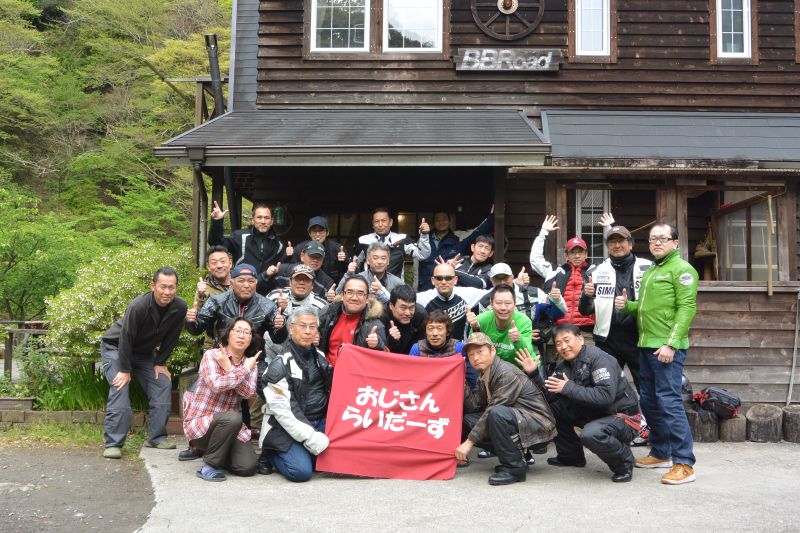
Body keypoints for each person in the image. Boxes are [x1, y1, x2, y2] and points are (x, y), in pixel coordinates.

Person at [617, 221, 699, 485]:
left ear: (675, 243)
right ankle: (662, 452)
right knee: (650, 402)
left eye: (663, 238)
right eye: (653, 239)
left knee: (669, 402)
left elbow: (687, 308)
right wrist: (628, 306)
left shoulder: (683, 270)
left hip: (666, 349)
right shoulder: (653, 269)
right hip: (646, 345)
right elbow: (646, 308)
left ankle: (684, 463)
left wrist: (671, 344)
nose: (657, 243)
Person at [529, 324, 641, 483]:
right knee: (551, 410)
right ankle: (571, 456)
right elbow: (549, 397)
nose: (563, 347)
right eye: (558, 343)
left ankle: (624, 462)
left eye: (567, 340)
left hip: (623, 417)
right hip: (593, 413)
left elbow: (605, 396)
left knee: (591, 434)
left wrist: (568, 388)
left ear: (580, 339)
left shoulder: (599, 359)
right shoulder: (563, 366)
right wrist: (534, 374)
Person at [100, 268, 187, 459]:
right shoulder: (138, 306)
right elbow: (126, 337)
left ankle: (157, 437)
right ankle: (114, 443)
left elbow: (173, 337)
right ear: (153, 286)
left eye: (171, 287)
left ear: (176, 288)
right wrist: (125, 370)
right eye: (163, 287)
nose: (167, 292)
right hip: (116, 348)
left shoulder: (179, 307)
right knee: (120, 386)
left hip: (144, 353)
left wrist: (160, 362)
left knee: (162, 382)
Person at [455, 333, 556, 486]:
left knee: (496, 413)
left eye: (480, 352)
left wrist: (468, 443)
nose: (476, 358)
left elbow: (493, 409)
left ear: (493, 351)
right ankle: (518, 456)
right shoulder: (484, 374)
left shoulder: (505, 373)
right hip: (520, 421)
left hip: (539, 425)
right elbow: (475, 406)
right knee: (469, 420)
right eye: (471, 354)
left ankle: (515, 469)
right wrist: (462, 383)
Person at [258, 307, 333, 482]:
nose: (308, 331)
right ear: (291, 329)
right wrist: (311, 437)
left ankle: (308, 453)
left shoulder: (320, 357)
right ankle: (271, 453)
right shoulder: (279, 365)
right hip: (285, 427)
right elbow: (285, 413)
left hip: (320, 421)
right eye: (302, 326)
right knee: (301, 472)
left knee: (340, 459)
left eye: (312, 327)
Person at [182, 318, 260, 482]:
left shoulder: (250, 363)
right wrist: (243, 371)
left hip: (230, 429)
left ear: (251, 339)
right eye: (237, 331)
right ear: (228, 334)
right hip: (202, 425)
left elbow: (248, 392)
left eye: (246, 332)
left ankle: (219, 453)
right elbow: (216, 385)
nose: (241, 335)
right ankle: (209, 466)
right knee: (233, 417)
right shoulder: (212, 355)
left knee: (247, 466)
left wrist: (230, 369)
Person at [580, 218, 651, 390]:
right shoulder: (596, 271)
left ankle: (647, 410)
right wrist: (587, 296)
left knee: (646, 387)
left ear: (630, 244)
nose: (617, 245)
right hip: (608, 340)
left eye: (621, 241)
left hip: (640, 337)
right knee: (608, 387)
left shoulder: (649, 268)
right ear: (607, 246)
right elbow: (584, 310)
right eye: (612, 241)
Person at [186, 264, 287, 346]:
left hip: (254, 358)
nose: (246, 285)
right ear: (232, 283)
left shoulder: (268, 306)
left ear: (256, 283)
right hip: (222, 355)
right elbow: (196, 330)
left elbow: (278, 339)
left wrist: (280, 326)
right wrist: (191, 320)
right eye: (241, 281)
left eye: (251, 281)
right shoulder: (216, 301)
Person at [529, 215, 595, 337]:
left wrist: (610, 227)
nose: (577, 256)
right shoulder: (555, 271)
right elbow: (535, 260)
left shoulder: (595, 271)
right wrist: (543, 232)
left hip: (588, 330)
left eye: (580, 252)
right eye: (573, 252)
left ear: (586, 254)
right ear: (566, 255)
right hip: (560, 329)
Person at [318, 275, 387, 367]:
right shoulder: (328, 313)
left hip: (356, 373)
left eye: (360, 293)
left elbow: (383, 360)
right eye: (350, 292)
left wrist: (377, 345)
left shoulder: (374, 325)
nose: (354, 298)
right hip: (326, 370)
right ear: (342, 296)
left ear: (367, 298)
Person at [418, 209, 494, 291]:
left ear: (449, 221)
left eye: (444, 219)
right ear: (433, 222)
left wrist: (492, 216)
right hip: (425, 286)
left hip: (448, 288)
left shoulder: (458, 239)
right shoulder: (424, 240)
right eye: (437, 220)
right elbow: (416, 265)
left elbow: (477, 232)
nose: (441, 222)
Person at [264, 264, 329, 360]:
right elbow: (262, 324)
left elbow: (325, 336)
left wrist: (318, 338)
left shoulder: (321, 305)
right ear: (290, 282)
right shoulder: (275, 296)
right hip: (273, 349)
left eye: (306, 280)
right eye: (298, 279)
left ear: (312, 285)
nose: (301, 283)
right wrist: (276, 308)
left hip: (305, 352)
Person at [208, 201, 288, 274]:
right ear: (253, 220)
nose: (263, 221)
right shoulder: (240, 236)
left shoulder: (278, 244)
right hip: (242, 283)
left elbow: (281, 267)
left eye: (266, 218)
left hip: (268, 283)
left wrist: (288, 256)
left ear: (271, 221)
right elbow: (216, 243)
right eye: (259, 217)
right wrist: (217, 222)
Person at [466, 284, 534, 364]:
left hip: (519, 367)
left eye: (508, 303)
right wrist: (476, 329)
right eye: (498, 303)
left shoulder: (524, 322)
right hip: (491, 366)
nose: (503, 308)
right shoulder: (481, 320)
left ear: (514, 304)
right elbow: (473, 352)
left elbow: (527, 355)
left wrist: (518, 339)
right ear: (491, 304)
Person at [355, 207, 431, 279]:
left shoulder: (402, 239)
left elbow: (422, 255)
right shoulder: (363, 240)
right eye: (377, 221)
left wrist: (424, 235)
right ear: (373, 223)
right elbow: (355, 264)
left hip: (395, 286)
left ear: (391, 222)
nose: (380, 224)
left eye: (383, 221)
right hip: (370, 285)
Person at [409, 310, 477, 389]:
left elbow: (472, 377)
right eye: (430, 329)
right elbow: (411, 377)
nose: (435, 333)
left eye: (439, 329)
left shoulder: (459, 348)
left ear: (447, 332)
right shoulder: (417, 349)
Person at [257, 241, 335, 301]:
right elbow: (256, 288)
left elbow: (328, 310)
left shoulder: (327, 282)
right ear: (302, 256)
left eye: (319, 257)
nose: (315, 260)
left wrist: (331, 300)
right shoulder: (283, 270)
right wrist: (266, 275)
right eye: (312, 256)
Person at [338, 241, 404, 304]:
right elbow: (338, 296)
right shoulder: (358, 279)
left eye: (383, 258)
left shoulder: (397, 283)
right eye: (375, 258)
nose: (379, 262)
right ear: (368, 260)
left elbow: (402, 305)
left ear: (388, 261)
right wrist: (348, 274)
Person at [291, 216, 349, 283]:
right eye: (314, 231)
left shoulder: (337, 248)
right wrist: (288, 255)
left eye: (321, 231)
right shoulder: (300, 248)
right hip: (306, 284)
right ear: (309, 233)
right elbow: (291, 267)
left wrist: (344, 260)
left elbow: (349, 270)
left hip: (331, 286)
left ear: (327, 232)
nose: (317, 234)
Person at [381, 284, 426, 355]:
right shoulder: (381, 315)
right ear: (391, 306)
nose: (408, 313)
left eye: (411, 307)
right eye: (403, 308)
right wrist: (392, 340)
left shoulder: (420, 314)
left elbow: (422, 346)